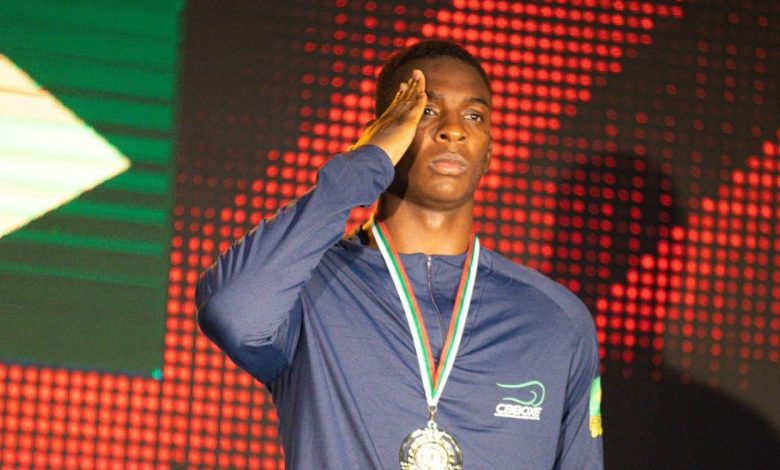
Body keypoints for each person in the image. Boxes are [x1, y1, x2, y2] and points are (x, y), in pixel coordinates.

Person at [196, 40, 603, 469]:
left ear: (488, 152)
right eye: (425, 110)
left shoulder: (554, 320)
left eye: (473, 116)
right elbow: (230, 312)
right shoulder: (310, 287)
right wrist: (364, 165)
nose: (453, 130)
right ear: (385, 132)